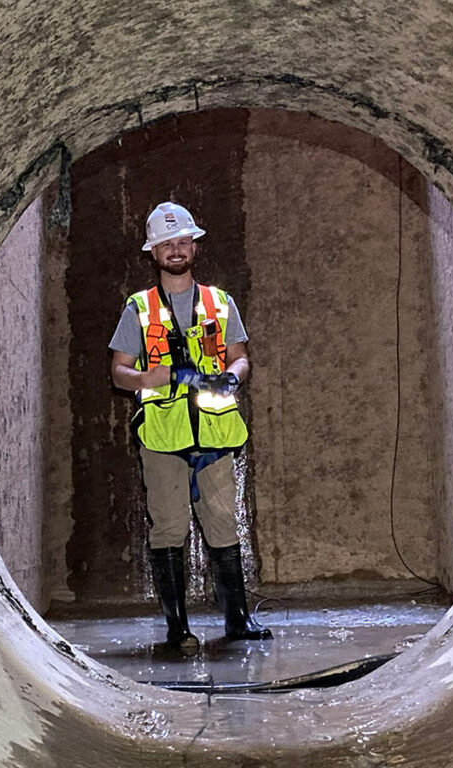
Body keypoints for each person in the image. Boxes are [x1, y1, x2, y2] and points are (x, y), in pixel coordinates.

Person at [109, 201, 272, 656]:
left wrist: (233, 376)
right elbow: (119, 371)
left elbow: (240, 356)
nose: (176, 250)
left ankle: (238, 621)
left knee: (223, 525)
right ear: (154, 252)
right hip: (163, 436)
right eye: (167, 244)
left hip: (216, 434)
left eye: (182, 241)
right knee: (168, 529)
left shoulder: (219, 302)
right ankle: (177, 628)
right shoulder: (139, 309)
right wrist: (147, 379)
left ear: (193, 246)